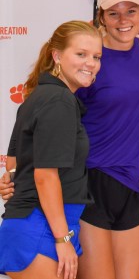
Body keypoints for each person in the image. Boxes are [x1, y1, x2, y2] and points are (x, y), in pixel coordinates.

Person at [0, 21, 102, 279]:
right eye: (81, 54)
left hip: (38, 223)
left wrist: (11, 178)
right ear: (57, 56)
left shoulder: (40, 94)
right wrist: (61, 238)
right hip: (42, 227)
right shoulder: (59, 99)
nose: (90, 63)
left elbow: (14, 160)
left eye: (96, 56)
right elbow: (45, 175)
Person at [75, 0, 139, 279]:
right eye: (114, 13)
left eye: (131, 11)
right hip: (91, 181)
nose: (124, 21)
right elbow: (53, 111)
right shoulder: (89, 59)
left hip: (132, 184)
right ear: (102, 18)